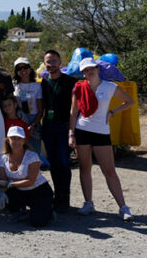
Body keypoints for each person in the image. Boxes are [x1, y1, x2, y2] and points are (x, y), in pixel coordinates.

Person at [69, 58, 135, 221]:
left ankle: (123, 207)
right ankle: (88, 203)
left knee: (109, 171)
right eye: (85, 71)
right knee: (85, 168)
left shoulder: (110, 86)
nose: (88, 72)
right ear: (83, 73)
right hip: (82, 130)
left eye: (91, 69)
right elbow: (73, 112)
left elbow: (129, 101)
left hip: (101, 133)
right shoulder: (79, 87)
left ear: (98, 69)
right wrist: (71, 134)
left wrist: (112, 112)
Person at [0, 126, 55, 226]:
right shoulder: (4, 158)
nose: (16, 141)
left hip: (39, 192)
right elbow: (3, 180)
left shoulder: (32, 156)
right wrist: (1, 190)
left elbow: (30, 181)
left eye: (19, 138)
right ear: (8, 140)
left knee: (37, 223)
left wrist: (10, 184)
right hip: (20, 191)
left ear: (24, 141)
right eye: (13, 138)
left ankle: (48, 210)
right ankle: (19, 211)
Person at [40, 50, 77, 212]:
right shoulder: (43, 82)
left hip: (64, 127)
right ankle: (57, 197)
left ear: (60, 63)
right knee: (54, 164)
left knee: (64, 162)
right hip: (48, 126)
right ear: (44, 64)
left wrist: (72, 131)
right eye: (48, 62)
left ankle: (65, 199)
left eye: (54, 61)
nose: (51, 65)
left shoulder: (70, 82)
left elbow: (75, 109)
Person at [12, 57, 44, 153]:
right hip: (19, 120)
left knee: (34, 152)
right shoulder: (14, 86)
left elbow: (40, 110)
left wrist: (33, 125)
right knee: (19, 151)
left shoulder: (37, 86)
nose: (23, 70)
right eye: (19, 69)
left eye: (25, 67)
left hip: (33, 121)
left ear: (30, 69)